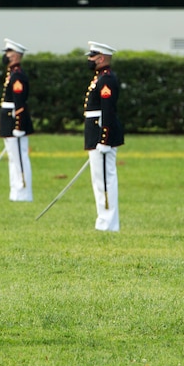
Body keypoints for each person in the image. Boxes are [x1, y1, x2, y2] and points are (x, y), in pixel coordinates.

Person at [84, 41, 124, 231]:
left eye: (92, 56)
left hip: (102, 135)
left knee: (105, 180)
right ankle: (104, 220)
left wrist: (104, 139)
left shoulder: (106, 80)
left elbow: (107, 111)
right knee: (99, 180)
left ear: (101, 58)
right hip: (96, 133)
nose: (89, 60)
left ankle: (108, 223)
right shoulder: (100, 78)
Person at [0, 38, 34, 202]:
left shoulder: (18, 76)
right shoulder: (11, 73)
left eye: (9, 52)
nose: (6, 55)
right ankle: (15, 191)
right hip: (8, 119)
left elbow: (19, 102)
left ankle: (23, 192)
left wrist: (19, 125)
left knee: (19, 157)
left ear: (16, 55)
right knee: (13, 158)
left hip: (14, 120)